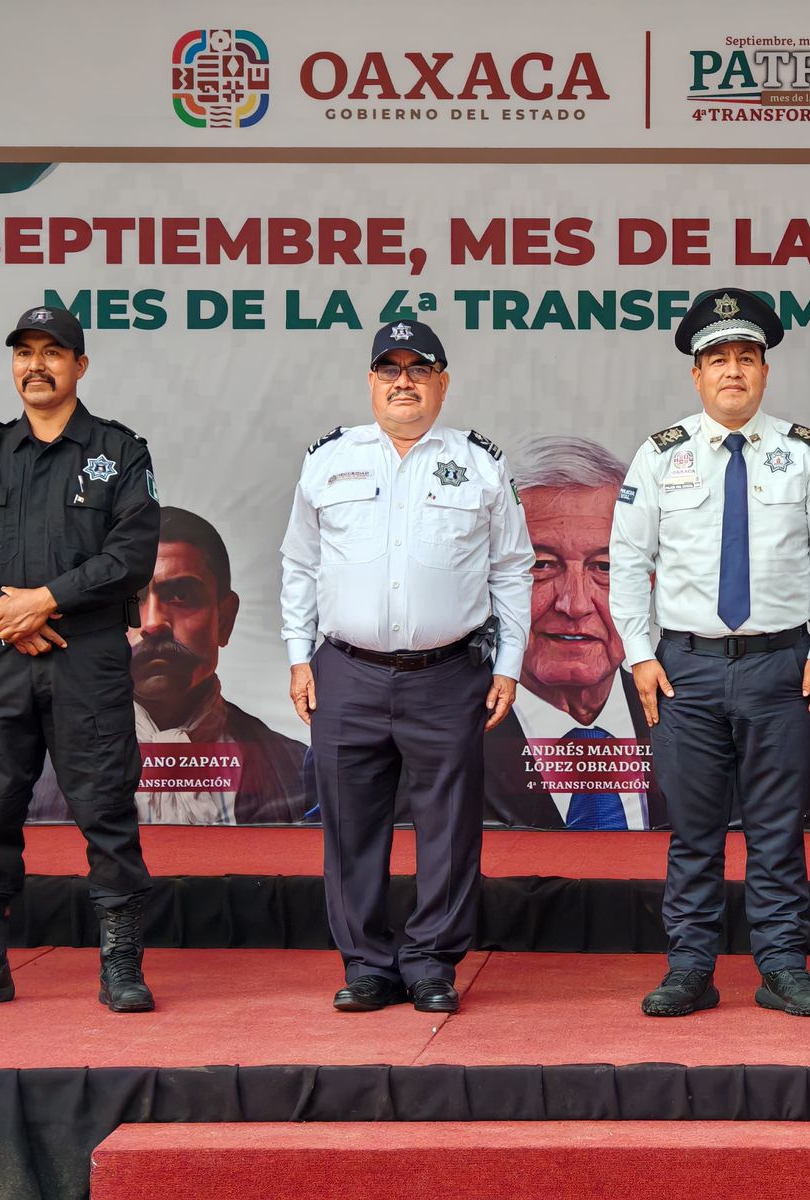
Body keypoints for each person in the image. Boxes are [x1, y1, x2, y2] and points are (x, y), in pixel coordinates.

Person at [610, 287, 810, 1018]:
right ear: (696, 374)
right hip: (684, 669)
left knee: (777, 830)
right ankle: (690, 967)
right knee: (694, 831)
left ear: (765, 372)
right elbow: (628, 561)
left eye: (747, 357)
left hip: (782, 665)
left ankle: (782, 966)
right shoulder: (661, 457)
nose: (733, 372)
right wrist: (639, 656)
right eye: (718, 359)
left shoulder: (804, 454)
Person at [279, 319, 533, 1014]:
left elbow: (512, 569)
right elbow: (299, 565)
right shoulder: (329, 461)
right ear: (370, 382)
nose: (403, 382)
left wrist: (508, 663)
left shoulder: (480, 463)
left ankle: (430, 963)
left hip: (448, 673)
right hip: (346, 670)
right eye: (389, 370)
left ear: (442, 384)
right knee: (350, 826)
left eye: (418, 370)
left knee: (449, 827)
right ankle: (366, 963)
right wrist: (299, 656)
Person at [0, 304, 160, 1012]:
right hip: (0, 657)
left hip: (85, 661)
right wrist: (1, 608)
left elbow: (130, 556)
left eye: (52, 352)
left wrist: (46, 600)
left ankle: (121, 966)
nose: (36, 365)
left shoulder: (119, 453)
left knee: (106, 812)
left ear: (79, 366)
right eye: (24, 352)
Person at [30, 506, 310, 825]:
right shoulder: (31, 768)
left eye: (180, 595)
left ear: (225, 620)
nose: (152, 623)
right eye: (129, 601)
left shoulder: (298, 771)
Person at [485, 435, 658, 830]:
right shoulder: (443, 730)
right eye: (542, 565)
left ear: (648, 582)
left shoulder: (689, 719)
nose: (574, 604)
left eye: (606, 567)